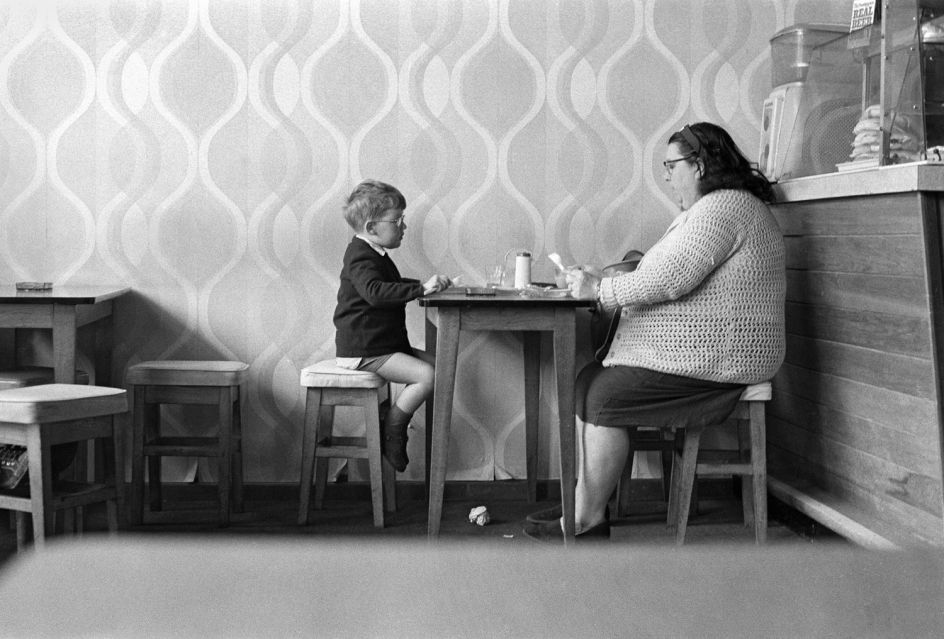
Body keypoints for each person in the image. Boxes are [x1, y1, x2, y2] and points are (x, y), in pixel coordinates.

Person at [524, 122, 786, 541]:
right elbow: (662, 271)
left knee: (605, 394)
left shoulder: (724, 208)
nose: (666, 176)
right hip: (709, 353)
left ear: (698, 164)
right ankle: (586, 501)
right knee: (590, 382)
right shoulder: (715, 209)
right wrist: (601, 281)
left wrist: (601, 289)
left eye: (671, 165)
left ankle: (587, 520)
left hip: (724, 358)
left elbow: (671, 277)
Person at [333, 180, 452, 471]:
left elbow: (389, 286)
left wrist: (425, 287)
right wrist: (420, 290)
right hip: (365, 349)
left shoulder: (373, 254)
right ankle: (394, 428)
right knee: (428, 375)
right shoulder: (360, 256)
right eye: (398, 220)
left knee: (442, 367)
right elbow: (375, 292)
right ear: (373, 228)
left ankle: (395, 422)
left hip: (382, 343)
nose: (404, 226)